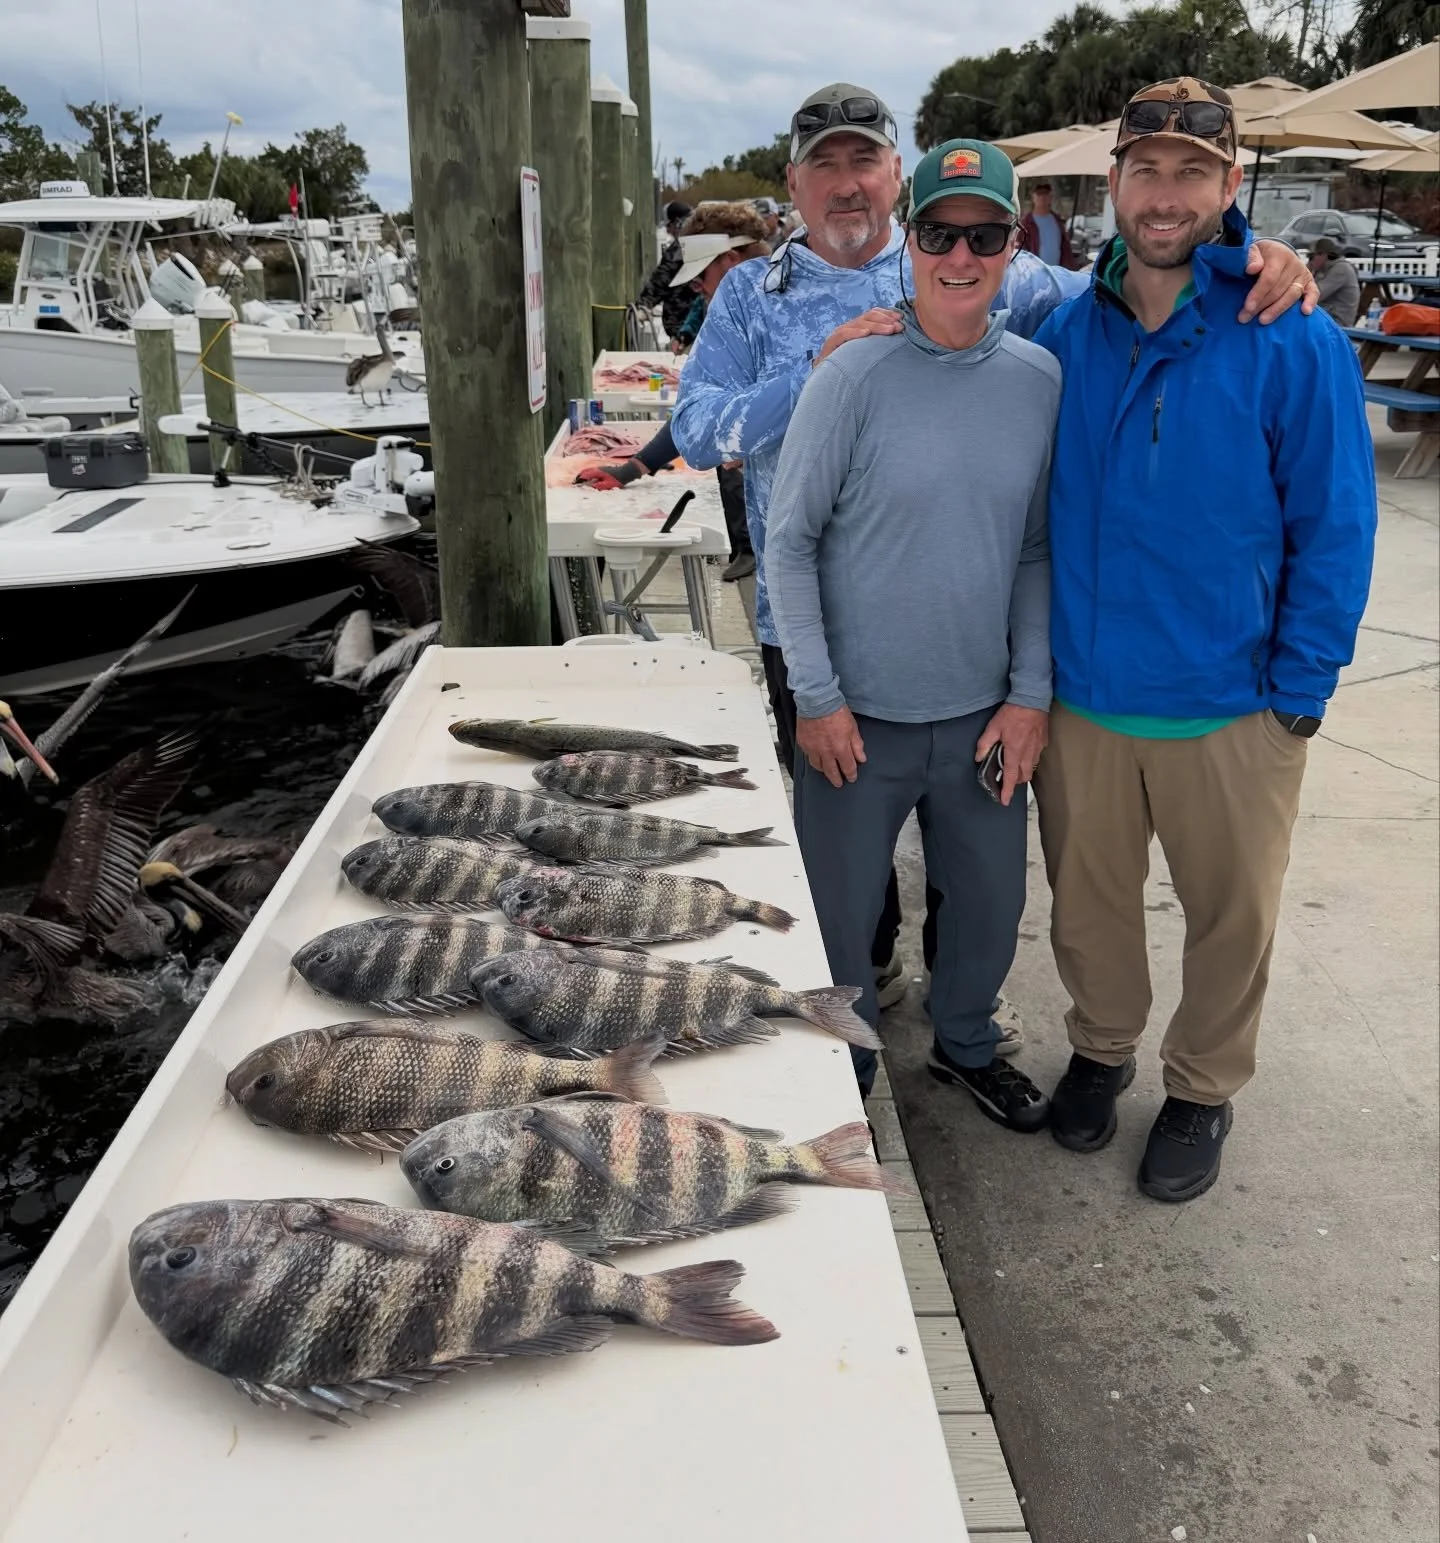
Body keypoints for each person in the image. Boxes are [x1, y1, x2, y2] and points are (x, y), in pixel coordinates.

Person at [670, 78, 1318, 1024]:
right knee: (848, 874)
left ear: (895, 175)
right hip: (808, 633)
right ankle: (866, 1003)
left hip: (970, 655)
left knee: (974, 874)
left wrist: (1257, 255)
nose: (848, 185)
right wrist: (809, 382)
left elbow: (1136, 275)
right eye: (826, 166)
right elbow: (693, 433)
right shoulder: (750, 296)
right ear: (796, 183)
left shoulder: (998, 277)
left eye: (865, 161)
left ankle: (960, 1019)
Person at [1031, 77, 1376, 1201]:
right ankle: (1099, 1050)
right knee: (1087, 911)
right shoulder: (1061, 329)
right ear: (1113, 183)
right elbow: (949, 295)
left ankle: (1201, 1086)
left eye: (1192, 171)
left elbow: (1335, 519)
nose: (1165, 193)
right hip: (1086, 698)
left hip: (1233, 700)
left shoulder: (1291, 334)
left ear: (1233, 187)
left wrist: (1301, 691)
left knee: (1233, 919)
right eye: (1146, 169)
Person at [767, 139, 1059, 1122]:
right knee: (838, 923)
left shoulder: (1039, 381)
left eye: (987, 235)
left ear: (1015, 246)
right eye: (941, 232)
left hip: (980, 715)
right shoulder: (850, 379)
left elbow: (1032, 551)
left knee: (988, 911)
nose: (962, 256)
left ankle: (966, 1044)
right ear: (911, 241)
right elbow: (789, 543)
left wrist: (1029, 695)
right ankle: (842, 1073)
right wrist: (817, 697)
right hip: (857, 726)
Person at [580, 209, 768, 580]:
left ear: (731, 262)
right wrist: (633, 467)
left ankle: (749, 550)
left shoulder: (781, 310)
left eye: (702, 280)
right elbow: (697, 414)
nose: (701, 290)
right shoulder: (736, 317)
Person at [638, 200, 695, 340]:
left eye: (669, 226)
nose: (668, 231)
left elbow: (660, 282)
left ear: (677, 222)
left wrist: (642, 306)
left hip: (684, 330)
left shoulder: (680, 248)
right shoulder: (707, 243)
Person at [1020, 181, 1078, 269]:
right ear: (1033, 197)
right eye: (1039, 194)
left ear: (1050, 197)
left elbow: (1065, 248)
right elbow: (1021, 249)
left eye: (1046, 194)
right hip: (1034, 272)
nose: (1043, 197)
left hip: (1057, 272)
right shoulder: (1026, 223)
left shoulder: (1058, 221)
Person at [1308, 236, 1361, 328]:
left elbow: (1315, 295)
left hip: (1337, 321)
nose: (1310, 261)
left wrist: (1307, 274)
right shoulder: (1323, 270)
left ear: (1323, 255)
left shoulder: (1341, 269)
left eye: (1311, 257)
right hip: (1325, 316)